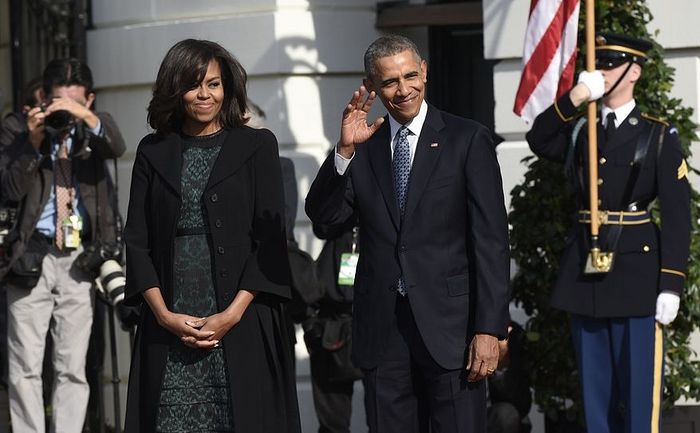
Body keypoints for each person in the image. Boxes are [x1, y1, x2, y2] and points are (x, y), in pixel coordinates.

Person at [305, 34, 511, 433]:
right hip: (383, 332)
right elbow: (324, 221)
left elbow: (491, 241)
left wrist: (489, 328)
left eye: (410, 76)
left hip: (453, 332)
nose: (403, 90)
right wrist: (344, 152)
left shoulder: (467, 139)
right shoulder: (363, 147)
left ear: (425, 73)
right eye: (389, 82)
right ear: (373, 86)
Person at [122, 39, 301, 433]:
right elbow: (136, 240)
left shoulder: (257, 145)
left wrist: (231, 315)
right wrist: (164, 316)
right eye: (194, 84)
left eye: (214, 84)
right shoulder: (152, 151)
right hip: (169, 318)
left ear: (228, 88)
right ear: (175, 89)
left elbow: (270, 239)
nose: (205, 94)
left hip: (242, 317)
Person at [526, 33, 691, 432]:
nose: (601, 71)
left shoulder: (657, 136)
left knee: (637, 398)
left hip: (636, 279)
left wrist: (671, 284)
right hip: (587, 278)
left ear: (633, 72)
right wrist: (576, 97)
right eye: (597, 64)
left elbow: (677, 215)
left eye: (611, 64)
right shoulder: (583, 131)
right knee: (595, 399)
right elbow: (538, 137)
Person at [0, 58, 126, 433]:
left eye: (73, 103)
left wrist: (84, 118)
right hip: (30, 256)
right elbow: (8, 190)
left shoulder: (94, 131)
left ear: (89, 100)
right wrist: (34, 142)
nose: (64, 113)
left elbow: (117, 146)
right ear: (44, 97)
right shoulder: (19, 130)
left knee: (73, 365)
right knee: (25, 365)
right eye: (58, 102)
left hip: (78, 259)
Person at [305, 219, 364, 433]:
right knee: (332, 426)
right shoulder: (337, 208)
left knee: (388, 417)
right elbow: (320, 221)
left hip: (377, 319)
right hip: (331, 323)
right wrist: (311, 323)